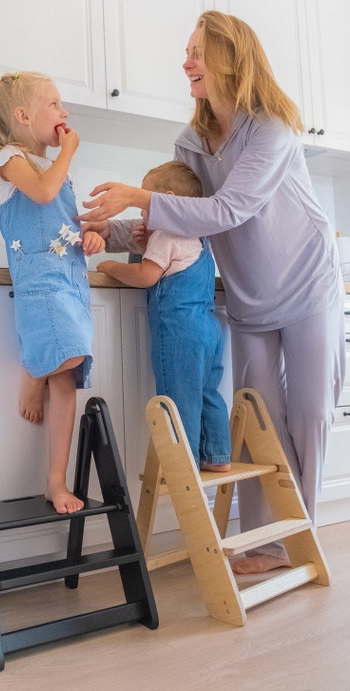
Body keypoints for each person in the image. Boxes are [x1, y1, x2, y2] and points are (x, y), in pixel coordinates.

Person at [81, 11, 345, 573]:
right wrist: (111, 231)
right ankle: (263, 544)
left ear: (231, 57)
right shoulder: (191, 143)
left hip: (307, 284)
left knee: (309, 413)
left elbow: (229, 208)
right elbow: (182, 222)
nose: (187, 63)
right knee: (257, 424)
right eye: (188, 52)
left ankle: (302, 538)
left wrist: (136, 196)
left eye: (197, 51)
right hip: (248, 299)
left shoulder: (270, 129)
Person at [0, 71, 105, 514]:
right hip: (42, 287)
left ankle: (55, 481)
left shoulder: (50, 166)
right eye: (54, 104)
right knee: (66, 358)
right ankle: (33, 371)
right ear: (24, 115)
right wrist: (68, 150)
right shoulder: (8, 160)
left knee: (68, 377)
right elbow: (45, 196)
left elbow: (63, 221)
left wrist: (91, 237)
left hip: (70, 281)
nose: (64, 113)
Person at [94, 160, 231, 472]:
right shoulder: (198, 236)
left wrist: (111, 267)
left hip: (179, 331)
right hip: (208, 329)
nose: (143, 213)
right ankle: (217, 456)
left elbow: (146, 275)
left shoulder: (166, 234)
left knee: (178, 399)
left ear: (167, 200)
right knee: (208, 393)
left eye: (145, 204)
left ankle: (185, 466)